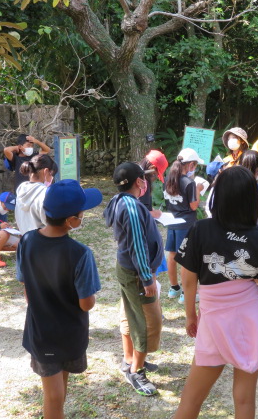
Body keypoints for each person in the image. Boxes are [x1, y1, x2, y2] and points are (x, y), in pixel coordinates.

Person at [173, 166, 258, 419]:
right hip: (250, 321)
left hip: (213, 320)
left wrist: (190, 315)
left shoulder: (200, 229)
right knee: (245, 401)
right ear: (252, 200)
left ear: (217, 196)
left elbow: (188, 278)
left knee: (191, 399)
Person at [17, 180, 102, 419]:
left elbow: (25, 283)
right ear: (71, 221)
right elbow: (87, 303)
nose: (83, 216)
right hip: (68, 332)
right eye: (81, 213)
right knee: (54, 396)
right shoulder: (81, 254)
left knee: (57, 388)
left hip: (41, 330)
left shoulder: (26, 241)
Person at [103, 162, 164, 396]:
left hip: (129, 269)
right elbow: (138, 245)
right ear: (139, 182)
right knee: (147, 322)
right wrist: (147, 278)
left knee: (129, 313)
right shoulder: (130, 207)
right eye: (144, 178)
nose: (147, 182)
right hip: (138, 274)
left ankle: (130, 358)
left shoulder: (122, 201)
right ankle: (135, 372)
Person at [163, 148, 204, 302]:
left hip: (172, 222)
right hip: (186, 224)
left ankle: (174, 288)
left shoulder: (168, 179)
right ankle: (186, 294)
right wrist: (198, 189)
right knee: (186, 258)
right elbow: (194, 206)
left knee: (172, 255)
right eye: (195, 165)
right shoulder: (189, 183)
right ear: (191, 165)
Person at [15, 154, 58, 234]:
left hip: (26, 241)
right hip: (43, 242)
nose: (52, 179)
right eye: (51, 174)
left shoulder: (21, 190)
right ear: (45, 171)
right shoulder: (45, 193)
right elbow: (50, 223)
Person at [138, 149, 168, 219]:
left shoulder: (136, 174)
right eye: (156, 175)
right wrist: (155, 214)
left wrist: (151, 209)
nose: (156, 178)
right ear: (152, 168)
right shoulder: (143, 184)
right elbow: (139, 212)